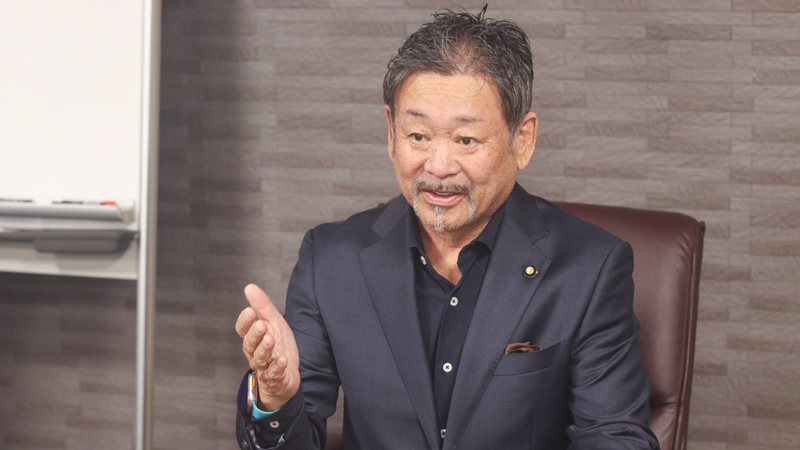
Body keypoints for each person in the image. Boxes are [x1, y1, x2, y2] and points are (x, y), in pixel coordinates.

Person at [234, 7, 659, 450]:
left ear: (522, 139)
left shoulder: (590, 269)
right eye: (418, 136)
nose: (438, 167)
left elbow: (616, 438)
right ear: (391, 132)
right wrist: (276, 399)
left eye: (466, 140)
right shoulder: (331, 261)